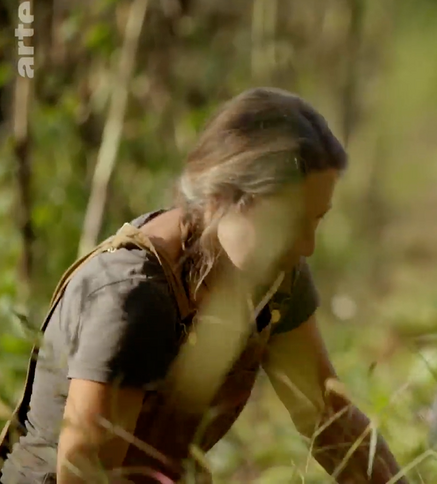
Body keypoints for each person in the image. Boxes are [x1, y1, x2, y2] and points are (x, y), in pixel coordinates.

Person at [0, 88, 406, 484]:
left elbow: (329, 423)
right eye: (290, 222)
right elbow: (86, 475)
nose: (307, 246)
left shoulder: (277, 276)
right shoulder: (134, 297)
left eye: (315, 220)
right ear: (223, 200)